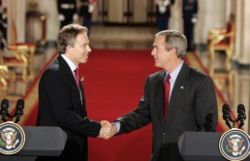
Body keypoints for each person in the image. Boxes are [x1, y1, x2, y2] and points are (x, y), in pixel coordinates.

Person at [101, 30, 218, 161]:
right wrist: (115, 127)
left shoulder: (200, 82)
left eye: (156, 48)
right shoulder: (154, 81)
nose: (152, 52)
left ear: (172, 51)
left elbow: (207, 129)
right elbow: (142, 114)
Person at [36, 24, 112, 161]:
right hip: (59, 151)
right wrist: (97, 129)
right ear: (69, 47)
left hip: (71, 147)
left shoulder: (69, 71)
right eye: (84, 45)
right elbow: (64, 115)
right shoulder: (55, 74)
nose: (89, 49)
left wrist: (97, 124)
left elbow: (77, 112)